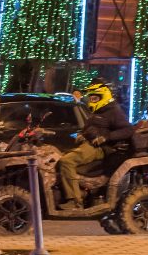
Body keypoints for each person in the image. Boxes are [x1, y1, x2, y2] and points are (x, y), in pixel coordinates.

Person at [58, 78, 134, 210]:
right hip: (88, 144)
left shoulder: (113, 111)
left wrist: (106, 137)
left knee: (66, 161)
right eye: (91, 97)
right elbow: (88, 128)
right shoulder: (97, 112)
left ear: (103, 96)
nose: (92, 99)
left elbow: (128, 130)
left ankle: (75, 202)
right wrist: (81, 134)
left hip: (97, 148)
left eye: (95, 97)